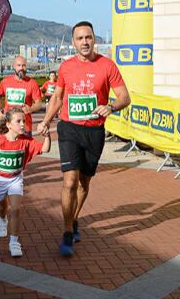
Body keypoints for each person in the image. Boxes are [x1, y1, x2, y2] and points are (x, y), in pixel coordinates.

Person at [37, 21, 130, 256]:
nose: (85, 42)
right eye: (80, 38)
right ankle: (67, 230)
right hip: (69, 129)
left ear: (94, 39)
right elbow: (57, 98)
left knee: (84, 184)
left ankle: (74, 218)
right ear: (73, 42)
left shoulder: (107, 65)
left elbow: (124, 97)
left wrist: (111, 107)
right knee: (69, 181)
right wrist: (46, 121)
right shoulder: (66, 67)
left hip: (94, 132)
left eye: (88, 37)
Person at [0, 107, 51, 257]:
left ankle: (14, 243)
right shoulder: (0, 142)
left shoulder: (27, 141)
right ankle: (2, 219)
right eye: (19, 121)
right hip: (0, 179)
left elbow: (45, 149)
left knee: (16, 209)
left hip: (16, 179)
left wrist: (47, 136)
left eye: (24, 121)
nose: (23, 124)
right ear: (9, 125)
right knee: (2, 206)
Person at [0, 56, 43, 134]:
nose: (21, 68)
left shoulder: (32, 83)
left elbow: (39, 104)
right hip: (8, 126)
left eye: (23, 65)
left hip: (24, 127)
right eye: (19, 65)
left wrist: (30, 109)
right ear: (14, 66)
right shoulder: (5, 81)